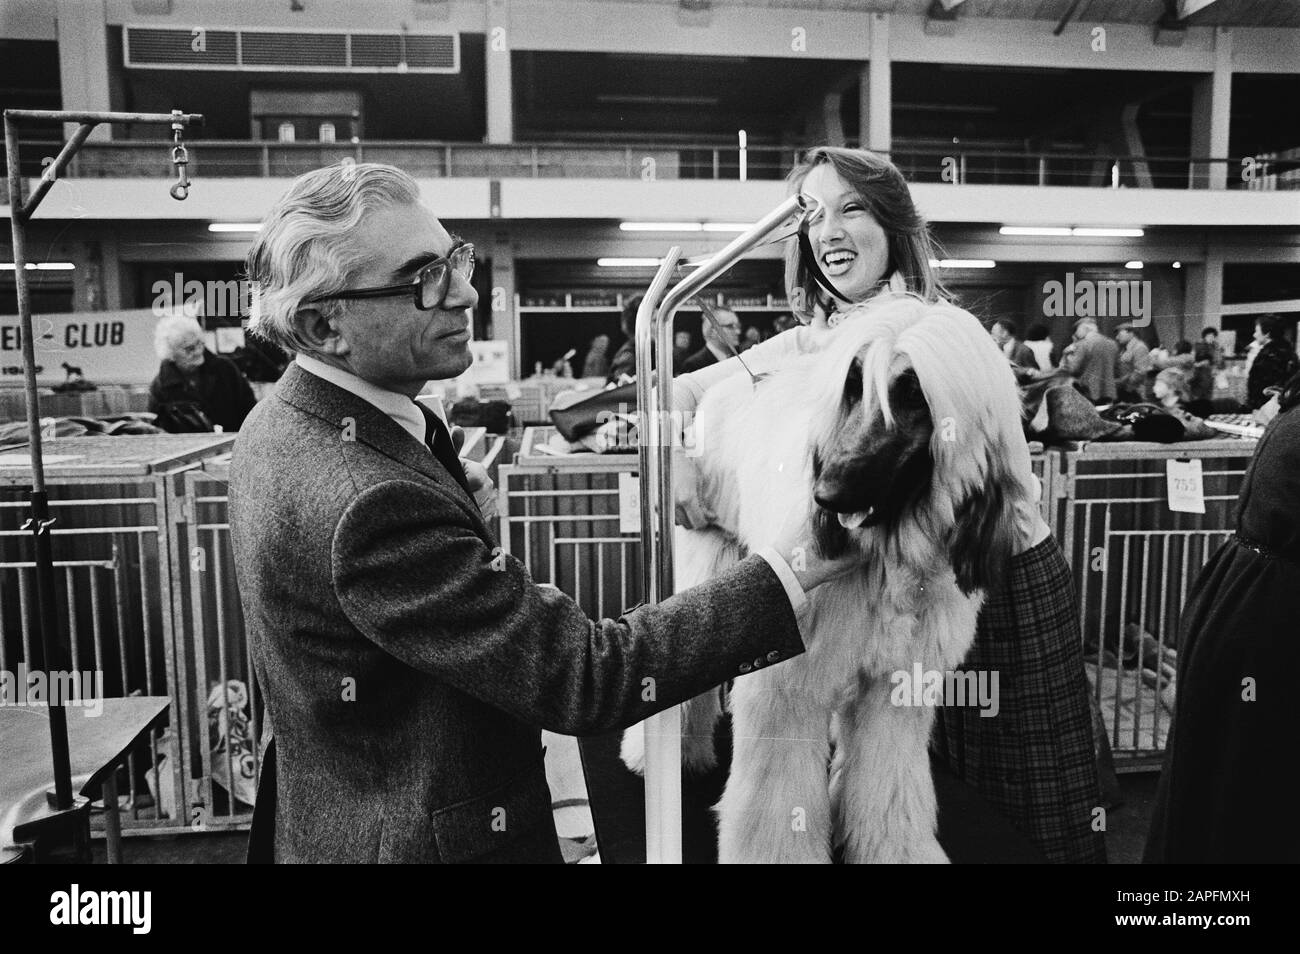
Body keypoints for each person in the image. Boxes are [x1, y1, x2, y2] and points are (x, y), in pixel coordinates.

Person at [231, 162, 857, 863]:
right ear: (325, 325)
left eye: (454, 259)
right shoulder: (369, 499)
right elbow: (586, 676)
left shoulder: (282, 423)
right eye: (423, 279)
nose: (466, 292)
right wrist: (799, 563)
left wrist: (454, 523)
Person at [672, 145, 1105, 864]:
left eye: (852, 208)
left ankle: (889, 836)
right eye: (811, 214)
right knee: (833, 703)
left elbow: (991, 474)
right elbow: (678, 390)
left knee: (1010, 802)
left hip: (993, 569)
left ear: (894, 221)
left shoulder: (939, 339)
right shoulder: (817, 340)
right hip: (872, 562)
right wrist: (676, 460)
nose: (828, 231)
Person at [1145, 369, 1300, 863]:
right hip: (1267, 616)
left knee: (1223, 777)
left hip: (1243, 604)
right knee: (1247, 782)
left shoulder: (1289, 414)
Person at [149, 314, 257, 432]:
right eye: (189, 349)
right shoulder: (160, 387)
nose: (198, 351)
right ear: (171, 354)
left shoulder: (225, 369)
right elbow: (158, 433)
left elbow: (251, 411)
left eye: (199, 343)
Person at [1245, 313, 1300, 410]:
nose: (1254, 335)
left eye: (1257, 331)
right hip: (1286, 409)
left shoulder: (1268, 356)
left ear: (1267, 334)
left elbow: (1260, 391)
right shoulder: (1289, 352)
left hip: (1267, 410)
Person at [1060, 317, 1118, 404]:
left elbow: (1073, 370)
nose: (1076, 333)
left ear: (1085, 329)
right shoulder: (1112, 344)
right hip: (1109, 391)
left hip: (1087, 392)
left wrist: (1066, 354)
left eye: (1077, 330)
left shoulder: (1082, 344)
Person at [678, 307, 741, 374]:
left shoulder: (738, 360)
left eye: (738, 326)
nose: (738, 331)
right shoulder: (693, 365)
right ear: (712, 331)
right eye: (730, 326)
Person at [606, 295, 642, 383]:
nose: (659, 326)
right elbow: (621, 390)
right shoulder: (629, 355)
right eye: (654, 320)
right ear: (637, 325)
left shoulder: (651, 351)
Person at [1114, 322, 1153, 402]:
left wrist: (1124, 386)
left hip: (1134, 392)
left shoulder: (1139, 348)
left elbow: (1140, 372)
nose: (1117, 337)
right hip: (1127, 391)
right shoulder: (1125, 349)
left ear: (1131, 333)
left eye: (1119, 334)